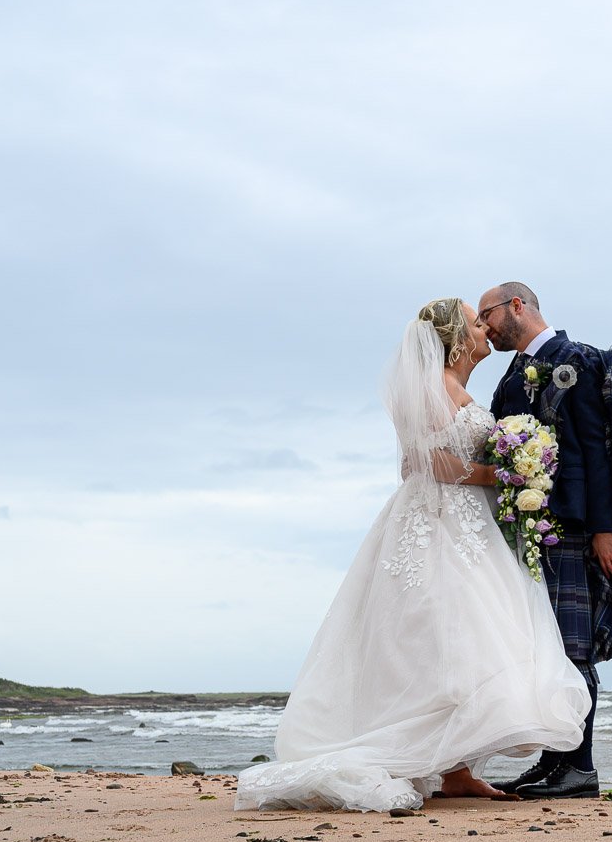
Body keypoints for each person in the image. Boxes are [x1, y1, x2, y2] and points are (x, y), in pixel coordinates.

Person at [234, 298, 589, 813]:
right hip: (439, 523)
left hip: (467, 523)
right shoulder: (433, 389)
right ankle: (448, 767)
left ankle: (458, 769)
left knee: (462, 637)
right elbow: (429, 463)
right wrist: (508, 474)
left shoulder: (455, 389)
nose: (483, 327)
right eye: (474, 322)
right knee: (444, 636)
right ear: (455, 337)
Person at [478, 281, 612, 800]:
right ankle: (554, 762)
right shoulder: (510, 378)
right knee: (545, 645)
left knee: (572, 647)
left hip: (576, 526)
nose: (484, 328)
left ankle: (580, 768)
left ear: (517, 306)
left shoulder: (578, 360)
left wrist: (606, 530)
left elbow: (601, 451)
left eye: (486, 315)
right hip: (528, 527)